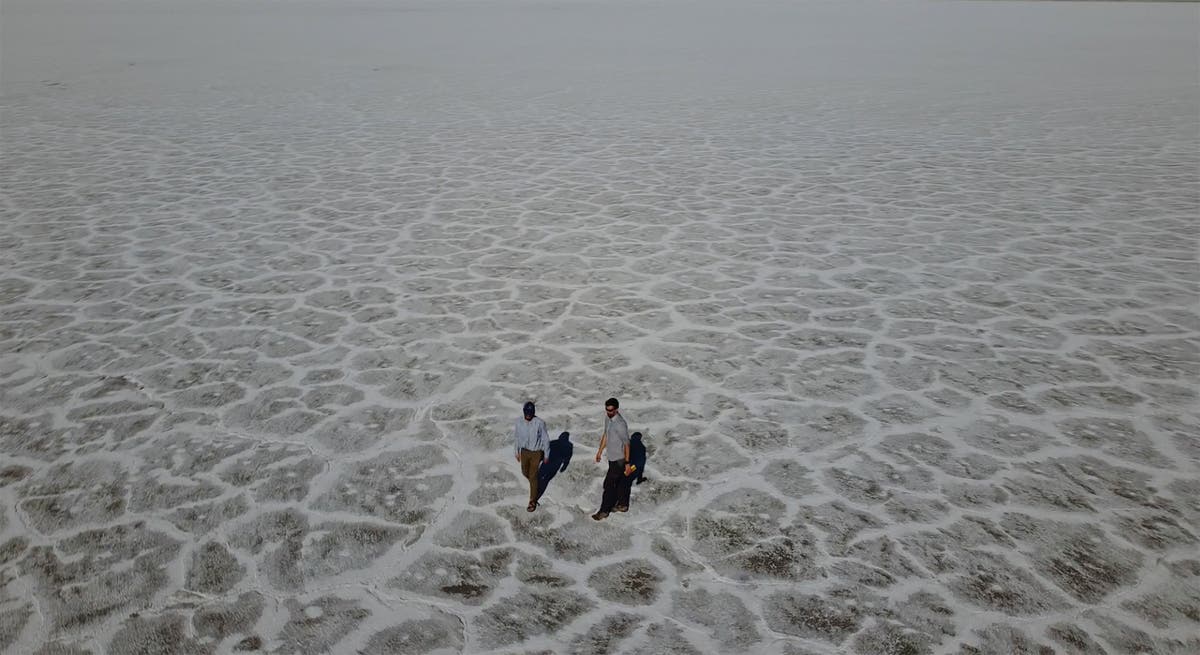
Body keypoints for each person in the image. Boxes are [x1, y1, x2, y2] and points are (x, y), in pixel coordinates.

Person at [593, 397, 633, 520]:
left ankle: (604, 511)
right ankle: (623, 504)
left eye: (611, 410)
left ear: (616, 409)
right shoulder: (608, 419)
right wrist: (600, 451)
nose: (608, 412)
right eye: (607, 410)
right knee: (621, 482)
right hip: (612, 457)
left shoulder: (620, 424)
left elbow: (627, 444)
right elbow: (606, 435)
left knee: (608, 485)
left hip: (619, 460)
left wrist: (627, 463)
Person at [513, 401, 549, 512]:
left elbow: (545, 439)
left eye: (530, 413)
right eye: (527, 413)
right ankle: (535, 484)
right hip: (524, 451)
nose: (528, 415)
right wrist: (516, 451)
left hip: (536, 452)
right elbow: (517, 437)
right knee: (525, 472)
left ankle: (532, 500)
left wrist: (546, 454)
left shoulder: (539, 423)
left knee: (533, 476)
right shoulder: (519, 422)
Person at [535, 431, 573, 502]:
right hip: (555, 467)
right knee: (546, 481)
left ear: (560, 436)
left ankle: (534, 495)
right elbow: (568, 458)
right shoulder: (569, 446)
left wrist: (538, 461)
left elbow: (543, 453)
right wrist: (563, 467)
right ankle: (537, 497)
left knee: (538, 478)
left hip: (546, 464)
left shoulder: (553, 442)